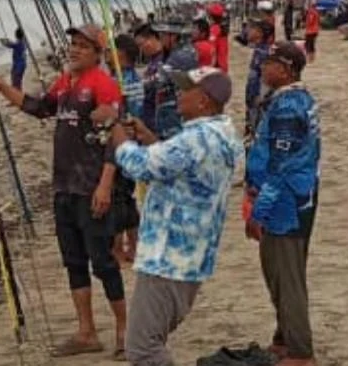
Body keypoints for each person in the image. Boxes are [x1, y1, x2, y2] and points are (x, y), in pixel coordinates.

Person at [0, 24, 127, 357]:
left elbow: (114, 140)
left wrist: (105, 185)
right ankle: (86, 332)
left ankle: (123, 330)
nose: (74, 50)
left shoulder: (103, 86)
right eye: (72, 44)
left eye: (82, 46)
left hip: (92, 187)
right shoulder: (65, 83)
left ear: (97, 54)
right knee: (74, 262)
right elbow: (37, 107)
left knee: (103, 262)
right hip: (64, 187)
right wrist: (2, 85)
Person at [110, 67, 244, 366]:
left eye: (187, 89)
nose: (179, 94)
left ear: (204, 101)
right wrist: (149, 139)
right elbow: (183, 169)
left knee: (142, 348)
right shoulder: (224, 134)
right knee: (151, 339)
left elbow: (140, 166)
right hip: (191, 260)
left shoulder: (195, 139)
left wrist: (115, 131)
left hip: (166, 260)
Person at [244, 42, 321, 366]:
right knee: (277, 271)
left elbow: (282, 165)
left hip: (286, 202)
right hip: (292, 196)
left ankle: (301, 352)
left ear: (287, 69)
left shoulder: (289, 106)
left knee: (286, 275)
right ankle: (284, 336)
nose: (263, 67)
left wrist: (258, 211)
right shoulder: (289, 99)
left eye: (270, 63)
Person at [109, 33, 144, 265]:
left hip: (123, 144)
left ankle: (121, 247)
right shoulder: (132, 79)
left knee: (118, 198)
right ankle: (132, 245)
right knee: (126, 197)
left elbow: (124, 115)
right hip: (131, 143)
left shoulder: (124, 82)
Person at [133, 21, 200, 140]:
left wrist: (134, 87)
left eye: (162, 35)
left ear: (173, 36)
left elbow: (159, 78)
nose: (160, 38)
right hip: (169, 114)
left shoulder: (182, 56)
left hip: (174, 117)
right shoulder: (175, 53)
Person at [244, 20, 274, 136]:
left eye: (253, 29)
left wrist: (260, 97)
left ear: (260, 33)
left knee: (257, 130)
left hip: (258, 100)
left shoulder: (264, 53)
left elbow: (266, 78)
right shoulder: (258, 50)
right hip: (253, 98)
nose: (249, 31)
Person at [208, 3, 230, 73]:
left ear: (211, 16)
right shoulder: (222, 28)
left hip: (217, 67)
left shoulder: (214, 29)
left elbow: (212, 50)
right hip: (223, 64)